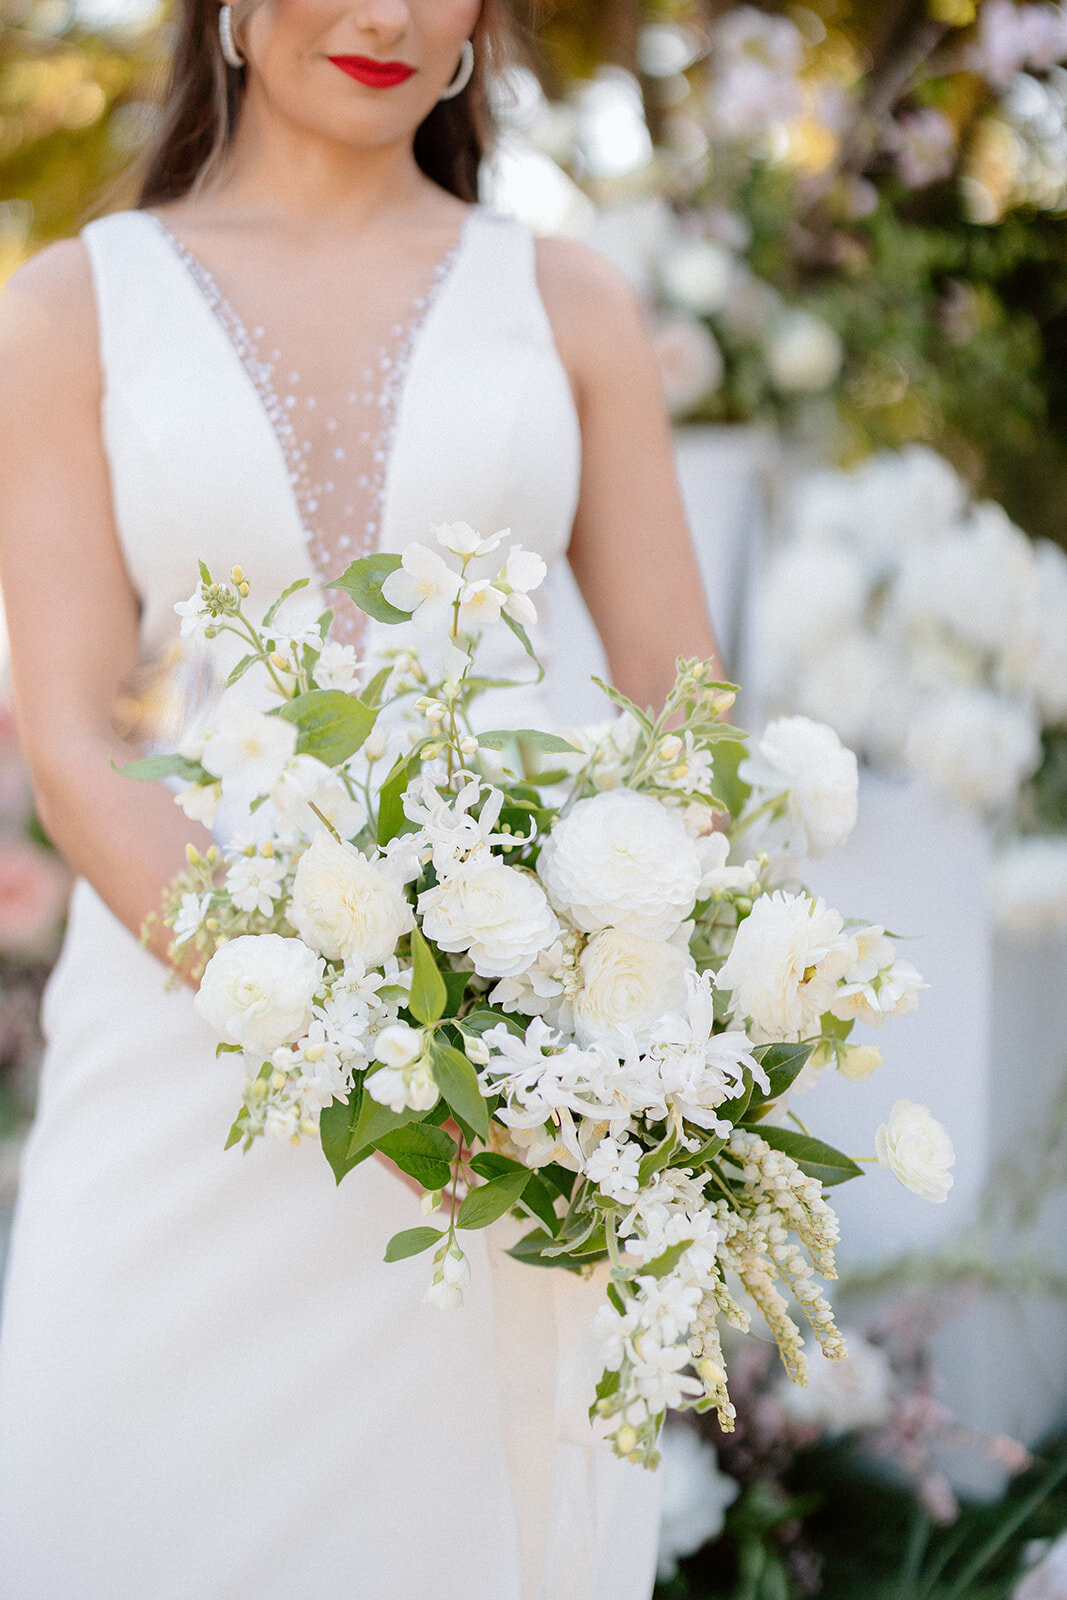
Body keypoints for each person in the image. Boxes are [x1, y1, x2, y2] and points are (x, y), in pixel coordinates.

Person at [0, 3, 724, 1596]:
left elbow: (692, 734)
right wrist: (350, 1051)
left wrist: (603, 1029)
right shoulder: (69, 311)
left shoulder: (572, 304)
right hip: (186, 1078)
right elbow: (67, 734)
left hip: (515, 1100)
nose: (388, 15)